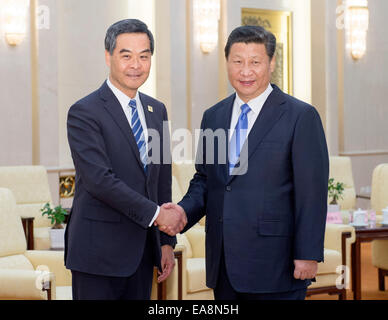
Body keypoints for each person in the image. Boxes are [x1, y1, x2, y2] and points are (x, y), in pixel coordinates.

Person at [163, 25, 329, 300]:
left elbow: (311, 192)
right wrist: (181, 213)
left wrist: (308, 254)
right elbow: (206, 180)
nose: (245, 71)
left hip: (278, 266)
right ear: (227, 62)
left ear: (271, 63)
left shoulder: (300, 116)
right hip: (224, 265)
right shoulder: (213, 117)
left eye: (255, 62)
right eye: (237, 62)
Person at [65, 19, 187, 300]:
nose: (136, 65)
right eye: (126, 55)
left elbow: (161, 181)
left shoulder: (157, 111)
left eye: (144, 56)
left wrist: (166, 242)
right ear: (108, 57)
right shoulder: (84, 112)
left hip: (142, 255)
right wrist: (159, 217)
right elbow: (99, 181)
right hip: (97, 256)